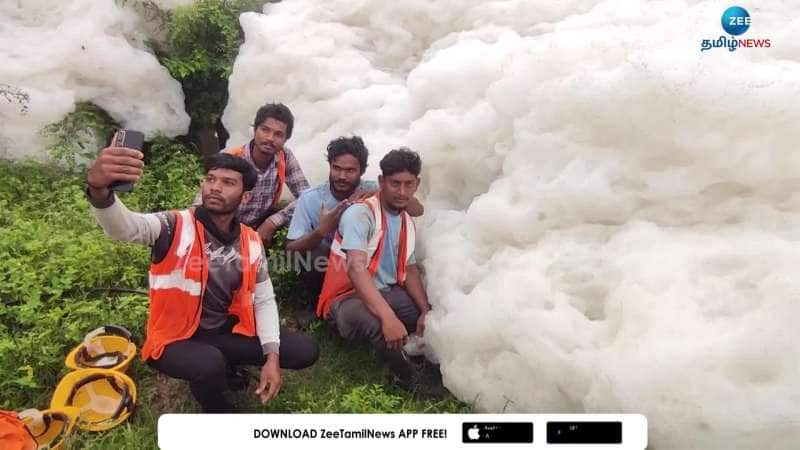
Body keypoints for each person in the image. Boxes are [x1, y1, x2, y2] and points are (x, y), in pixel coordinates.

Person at [86, 142, 319, 412]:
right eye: (210, 179)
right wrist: (99, 191)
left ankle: (225, 364)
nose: (215, 187)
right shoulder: (174, 226)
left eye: (228, 182)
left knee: (304, 350)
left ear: (245, 197)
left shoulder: (250, 240)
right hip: (174, 338)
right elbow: (125, 228)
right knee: (208, 364)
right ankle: (218, 410)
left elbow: (264, 300)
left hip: (223, 330)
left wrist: (272, 356)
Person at [316, 148, 443, 397]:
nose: (402, 191)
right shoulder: (360, 214)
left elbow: (409, 268)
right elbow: (355, 267)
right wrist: (388, 318)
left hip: (384, 292)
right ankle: (406, 378)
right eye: (395, 184)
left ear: (417, 184)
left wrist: (426, 310)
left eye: (409, 184)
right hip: (345, 298)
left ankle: (417, 354)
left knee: (427, 313)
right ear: (381, 181)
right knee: (377, 322)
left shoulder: (406, 219)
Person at [285, 136, 423, 324]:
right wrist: (321, 230)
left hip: (365, 262)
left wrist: (385, 194)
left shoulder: (373, 188)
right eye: (337, 168)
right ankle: (316, 303)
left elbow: (417, 210)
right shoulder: (311, 199)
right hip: (330, 264)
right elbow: (291, 249)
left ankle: (379, 295)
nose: (342, 176)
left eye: (350, 170)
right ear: (330, 166)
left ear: (362, 171)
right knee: (315, 254)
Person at [195, 102, 310, 248]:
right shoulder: (233, 159)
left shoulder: (284, 156)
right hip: (225, 226)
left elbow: (307, 196)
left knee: (308, 221)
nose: (270, 138)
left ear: (286, 139)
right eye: (265, 130)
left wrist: (273, 221)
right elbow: (200, 203)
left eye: (278, 134)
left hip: (259, 224)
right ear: (255, 129)